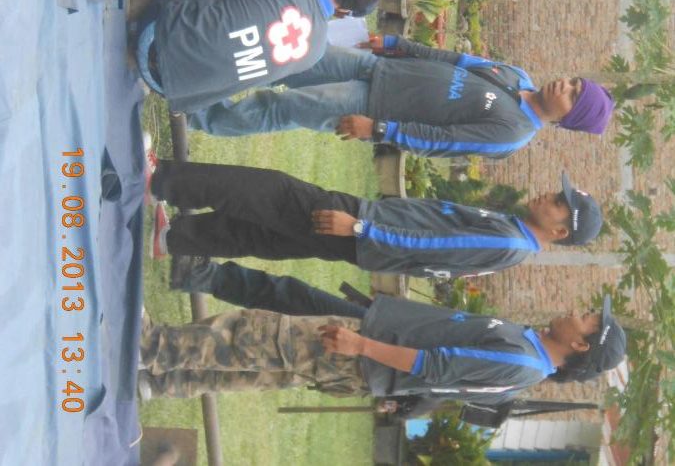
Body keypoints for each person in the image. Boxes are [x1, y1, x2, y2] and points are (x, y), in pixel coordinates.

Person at [137, 293, 626, 402]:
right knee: (263, 369)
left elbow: (435, 366)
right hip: (366, 360)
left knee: (254, 339)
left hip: (364, 354)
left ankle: (151, 348)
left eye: (587, 317)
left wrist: (362, 344)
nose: (578, 310)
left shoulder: (521, 361)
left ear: (581, 343)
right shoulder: (529, 353)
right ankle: (160, 382)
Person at [187, 36, 615, 157]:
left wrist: (379, 130)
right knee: (291, 55)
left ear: (567, 119)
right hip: (378, 68)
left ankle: (196, 114)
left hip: (370, 106)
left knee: (281, 107)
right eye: (573, 81)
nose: (565, 85)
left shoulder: (513, 133)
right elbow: (455, 60)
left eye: (573, 95)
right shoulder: (518, 76)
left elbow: (441, 141)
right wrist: (397, 45)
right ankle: (203, 66)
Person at [149, 161, 602, 274]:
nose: (549, 195)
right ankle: (172, 240)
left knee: (273, 192)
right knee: (267, 235)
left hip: (364, 232)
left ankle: (161, 179)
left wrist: (361, 227)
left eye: (559, 202)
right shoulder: (514, 237)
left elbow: (431, 245)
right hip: (366, 240)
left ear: (560, 230)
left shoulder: (508, 242)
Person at [130, 0, 386, 113]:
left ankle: (142, 0)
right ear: (343, 11)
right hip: (167, 86)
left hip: (152, 35)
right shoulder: (316, 50)